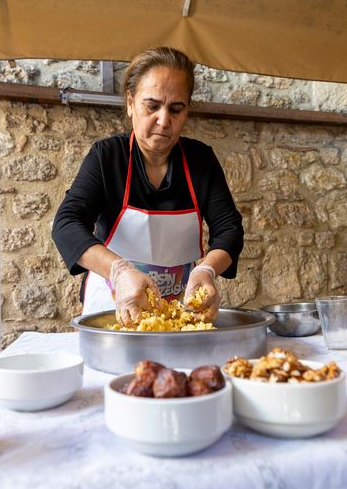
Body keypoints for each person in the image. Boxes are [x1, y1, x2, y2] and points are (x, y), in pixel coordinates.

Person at [52, 47, 243, 326]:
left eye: (176, 109)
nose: (164, 121)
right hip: (114, 307)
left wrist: (208, 271)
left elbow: (230, 230)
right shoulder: (108, 157)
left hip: (181, 310)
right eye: (152, 106)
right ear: (131, 103)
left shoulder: (201, 161)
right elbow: (67, 224)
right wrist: (118, 270)